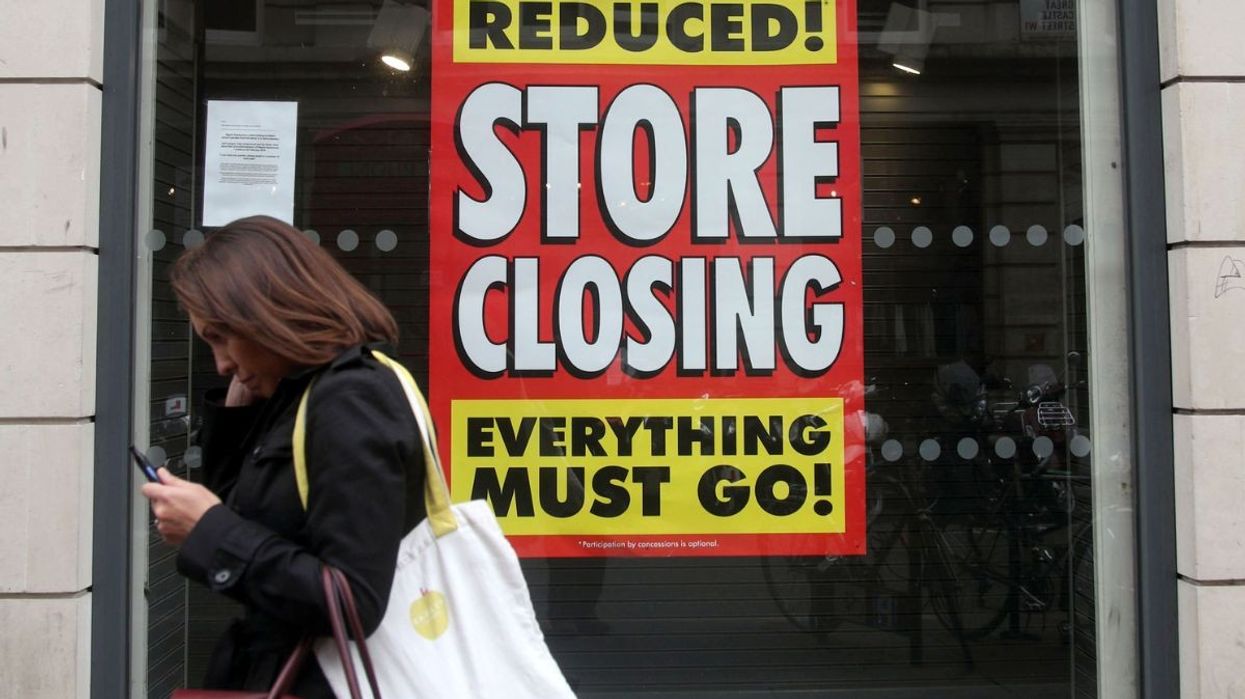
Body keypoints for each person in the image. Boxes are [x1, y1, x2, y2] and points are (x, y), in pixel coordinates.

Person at [140, 215, 425, 697]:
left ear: (266, 315)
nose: (221, 364)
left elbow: (352, 602)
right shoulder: (303, 396)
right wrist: (237, 416)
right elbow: (258, 522)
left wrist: (210, 529)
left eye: (222, 337)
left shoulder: (350, 398)